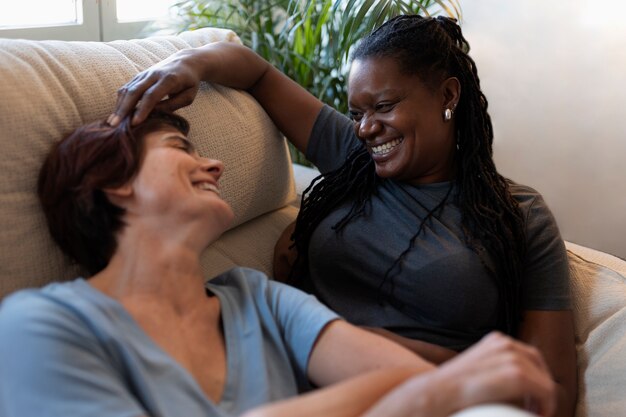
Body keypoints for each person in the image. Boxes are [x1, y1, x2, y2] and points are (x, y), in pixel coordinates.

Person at [106, 15, 576, 416]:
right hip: (306, 385)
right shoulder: (357, 160)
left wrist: (394, 354)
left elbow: (549, 388)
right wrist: (184, 64)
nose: (367, 128)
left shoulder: (519, 215)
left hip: (445, 400)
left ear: (448, 96)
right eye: (357, 112)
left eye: (384, 106)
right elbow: (256, 72)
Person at [0, 110, 556, 417]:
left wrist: (428, 392)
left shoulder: (257, 298)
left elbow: (405, 380)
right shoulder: (38, 326)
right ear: (113, 183)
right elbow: (424, 393)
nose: (214, 164)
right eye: (180, 148)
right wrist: (430, 394)